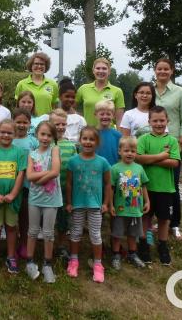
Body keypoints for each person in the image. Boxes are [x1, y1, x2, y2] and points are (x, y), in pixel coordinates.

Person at [65, 126, 112, 283]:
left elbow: (107, 185)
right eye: (85, 138)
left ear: (97, 142)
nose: (88, 142)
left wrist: (106, 203)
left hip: (95, 206)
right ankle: (74, 260)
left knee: (95, 234)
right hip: (77, 205)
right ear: (80, 140)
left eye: (92, 139)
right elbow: (69, 184)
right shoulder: (72, 161)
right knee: (76, 232)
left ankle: (98, 264)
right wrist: (69, 202)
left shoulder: (103, 162)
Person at [136, 106, 180, 266]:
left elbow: (174, 163)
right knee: (145, 217)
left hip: (165, 189)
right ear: (149, 122)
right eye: (155, 120)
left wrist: (150, 159)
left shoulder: (172, 141)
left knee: (164, 218)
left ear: (167, 121)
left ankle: (162, 245)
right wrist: (162, 156)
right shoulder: (143, 140)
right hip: (146, 188)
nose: (159, 123)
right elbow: (138, 159)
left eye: (162, 120)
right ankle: (144, 244)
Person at [153, 58, 182, 241]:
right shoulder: (150, 91)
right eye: (159, 69)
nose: (162, 72)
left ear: (172, 71)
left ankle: (175, 224)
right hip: (152, 143)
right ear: (155, 70)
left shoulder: (180, 92)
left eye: (166, 69)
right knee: (153, 185)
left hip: (172, 143)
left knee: (172, 185)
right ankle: (156, 221)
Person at [0, 120, 26, 276]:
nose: (6, 135)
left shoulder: (19, 152)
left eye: (9, 133)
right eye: (2, 132)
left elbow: (21, 174)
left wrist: (13, 194)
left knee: (11, 227)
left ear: (14, 135)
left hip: (13, 198)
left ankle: (11, 256)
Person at [25, 121, 62, 283]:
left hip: (52, 199)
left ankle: (48, 264)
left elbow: (55, 171)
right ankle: (29, 262)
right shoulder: (32, 154)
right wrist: (44, 176)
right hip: (34, 198)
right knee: (32, 231)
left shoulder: (55, 150)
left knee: (48, 233)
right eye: (43, 134)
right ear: (37, 135)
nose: (45, 138)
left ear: (53, 137)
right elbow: (29, 176)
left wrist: (40, 180)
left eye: (49, 135)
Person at [108, 136, 150, 270]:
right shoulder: (115, 168)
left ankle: (133, 254)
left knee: (133, 234)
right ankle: (115, 255)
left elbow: (143, 186)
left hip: (136, 209)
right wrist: (110, 205)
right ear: (119, 151)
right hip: (120, 209)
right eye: (126, 150)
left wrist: (147, 201)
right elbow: (111, 188)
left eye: (133, 150)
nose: (130, 153)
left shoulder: (139, 168)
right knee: (117, 233)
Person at [48, 109, 76, 261]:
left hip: (65, 189)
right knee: (49, 220)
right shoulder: (46, 143)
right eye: (56, 124)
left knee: (63, 220)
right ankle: (48, 246)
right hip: (48, 190)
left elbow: (74, 168)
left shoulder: (71, 146)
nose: (60, 127)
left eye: (63, 124)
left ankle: (61, 246)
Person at [11, 108, 38, 259]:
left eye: (25, 122)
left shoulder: (33, 141)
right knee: (11, 218)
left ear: (29, 124)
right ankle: (12, 245)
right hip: (10, 184)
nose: (21, 125)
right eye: (18, 122)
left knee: (25, 218)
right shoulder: (9, 139)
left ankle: (24, 244)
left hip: (28, 186)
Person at [76, 58, 126, 129]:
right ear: (93, 71)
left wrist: (119, 137)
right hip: (88, 135)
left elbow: (119, 119)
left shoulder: (117, 91)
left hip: (108, 133)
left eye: (104, 68)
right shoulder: (83, 88)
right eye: (98, 68)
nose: (101, 71)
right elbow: (73, 108)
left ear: (109, 71)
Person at [14, 52, 59, 117]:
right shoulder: (21, 84)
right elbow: (17, 106)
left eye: (42, 64)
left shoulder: (53, 84)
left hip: (46, 124)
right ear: (31, 65)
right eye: (36, 64)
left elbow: (54, 106)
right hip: (27, 123)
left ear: (46, 66)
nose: (39, 66)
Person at [94, 99, 123, 166]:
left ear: (113, 115)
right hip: (94, 171)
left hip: (112, 171)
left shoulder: (118, 135)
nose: (105, 116)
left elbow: (121, 157)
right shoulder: (91, 134)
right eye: (102, 114)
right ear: (95, 115)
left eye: (108, 114)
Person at [57, 77, 86, 143]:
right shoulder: (53, 117)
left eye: (73, 97)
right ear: (60, 97)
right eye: (67, 96)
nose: (70, 99)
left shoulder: (80, 119)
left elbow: (83, 139)